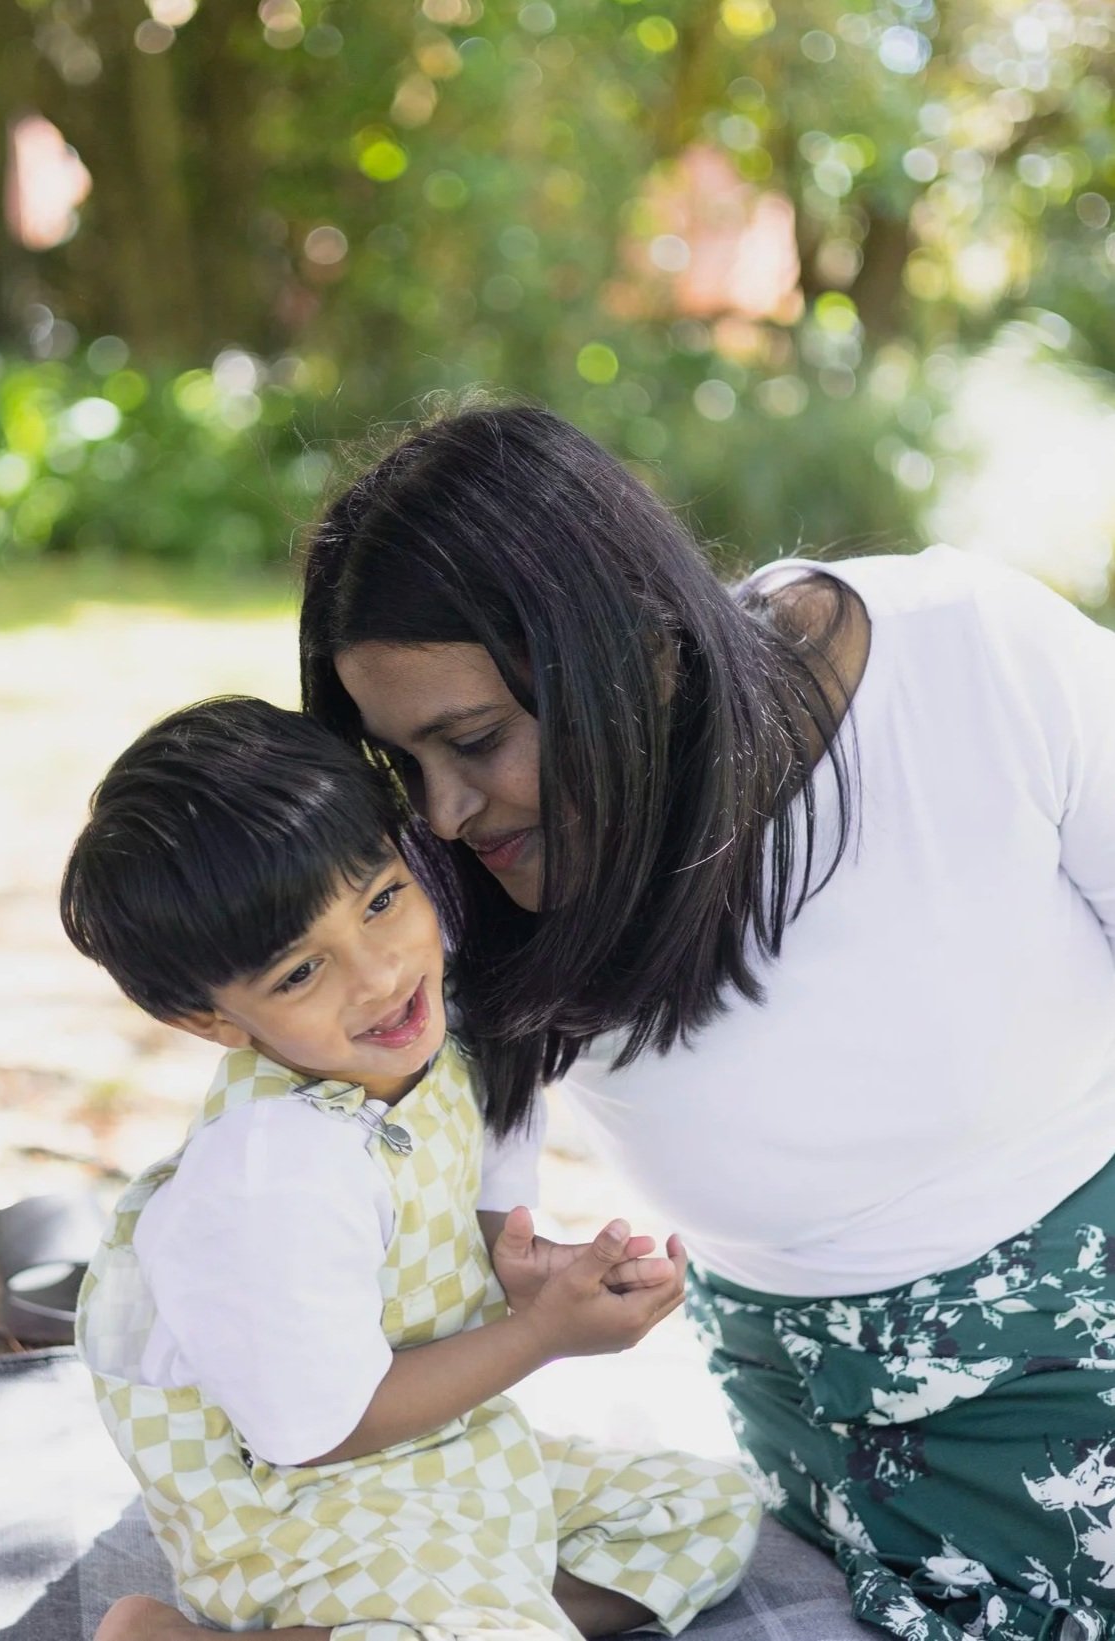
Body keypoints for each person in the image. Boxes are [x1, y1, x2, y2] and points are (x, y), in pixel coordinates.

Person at [297, 404, 1115, 1641]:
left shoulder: (966, 656)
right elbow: (447, 1223)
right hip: (799, 1387)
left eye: (474, 742)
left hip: (1072, 1324)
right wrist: (510, 1277)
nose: (446, 812)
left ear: (638, 655)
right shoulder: (446, 879)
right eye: (405, 764)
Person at [60, 696, 762, 1641]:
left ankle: (462, 1612)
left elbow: (460, 1212)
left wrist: (531, 1268)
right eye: (301, 973)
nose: (381, 974)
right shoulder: (272, 1177)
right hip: (305, 1510)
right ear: (212, 1020)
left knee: (708, 1512)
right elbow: (322, 1430)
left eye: (383, 899)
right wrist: (540, 1334)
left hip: (448, 1454)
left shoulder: (441, 1038)